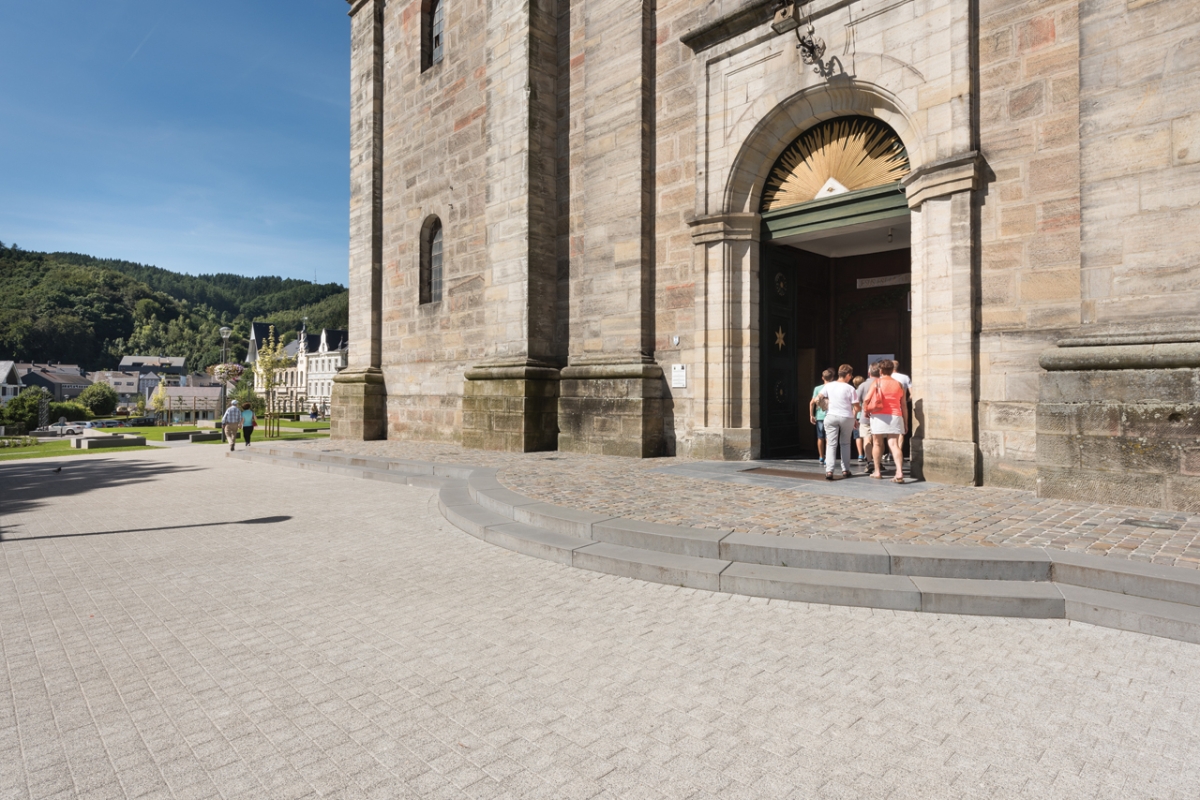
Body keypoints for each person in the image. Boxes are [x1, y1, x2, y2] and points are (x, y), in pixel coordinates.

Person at [863, 361, 909, 483]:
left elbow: (867, 399)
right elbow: (904, 405)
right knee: (894, 444)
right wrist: (905, 422)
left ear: (880, 371)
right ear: (892, 369)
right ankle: (899, 472)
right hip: (895, 415)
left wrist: (865, 412)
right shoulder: (899, 384)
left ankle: (877, 471)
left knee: (877, 443)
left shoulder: (876, 382)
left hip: (878, 416)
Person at [818, 364, 860, 479]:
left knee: (831, 444)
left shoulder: (829, 385)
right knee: (845, 443)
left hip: (831, 415)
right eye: (850, 376)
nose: (850, 378)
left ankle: (829, 471)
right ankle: (845, 470)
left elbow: (819, 396)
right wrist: (855, 416)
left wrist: (823, 404)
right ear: (848, 375)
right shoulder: (850, 388)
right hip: (847, 417)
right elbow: (857, 407)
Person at [857, 362, 881, 471]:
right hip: (880, 416)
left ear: (869, 372)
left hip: (865, 415)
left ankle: (870, 461)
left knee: (866, 438)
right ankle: (878, 462)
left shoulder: (862, 385)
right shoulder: (882, 383)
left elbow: (855, 401)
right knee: (879, 440)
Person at [808, 368, 835, 465]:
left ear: (822, 378)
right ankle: (828, 457)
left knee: (820, 437)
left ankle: (821, 457)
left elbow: (812, 402)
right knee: (829, 438)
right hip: (831, 415)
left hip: (819, 416)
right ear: (832, 378)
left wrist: (811, 415)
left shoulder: (817, 388)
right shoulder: (834, 388)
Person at [851, 375, 866, 461]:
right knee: (866, 436)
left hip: (856, 417)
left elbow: (853, 407)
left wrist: (853, 418)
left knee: (857, 436)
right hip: (865, 416)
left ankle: (860, 455)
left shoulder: (854, 393)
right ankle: (867, 454)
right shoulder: (866, 391)